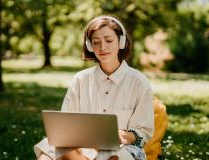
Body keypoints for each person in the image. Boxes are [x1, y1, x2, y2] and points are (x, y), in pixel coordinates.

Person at [34, 15, 154, 160]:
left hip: (124, 150)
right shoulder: (80, 80)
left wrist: (124, 136)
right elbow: (66, 125)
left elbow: (143, 133)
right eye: (96, 42)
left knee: (109, 155)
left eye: (109, 40)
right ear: (90, 46)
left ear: (121, 42)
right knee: (48, 151)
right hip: (80, 147)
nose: (102, 47)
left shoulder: (139, 82)